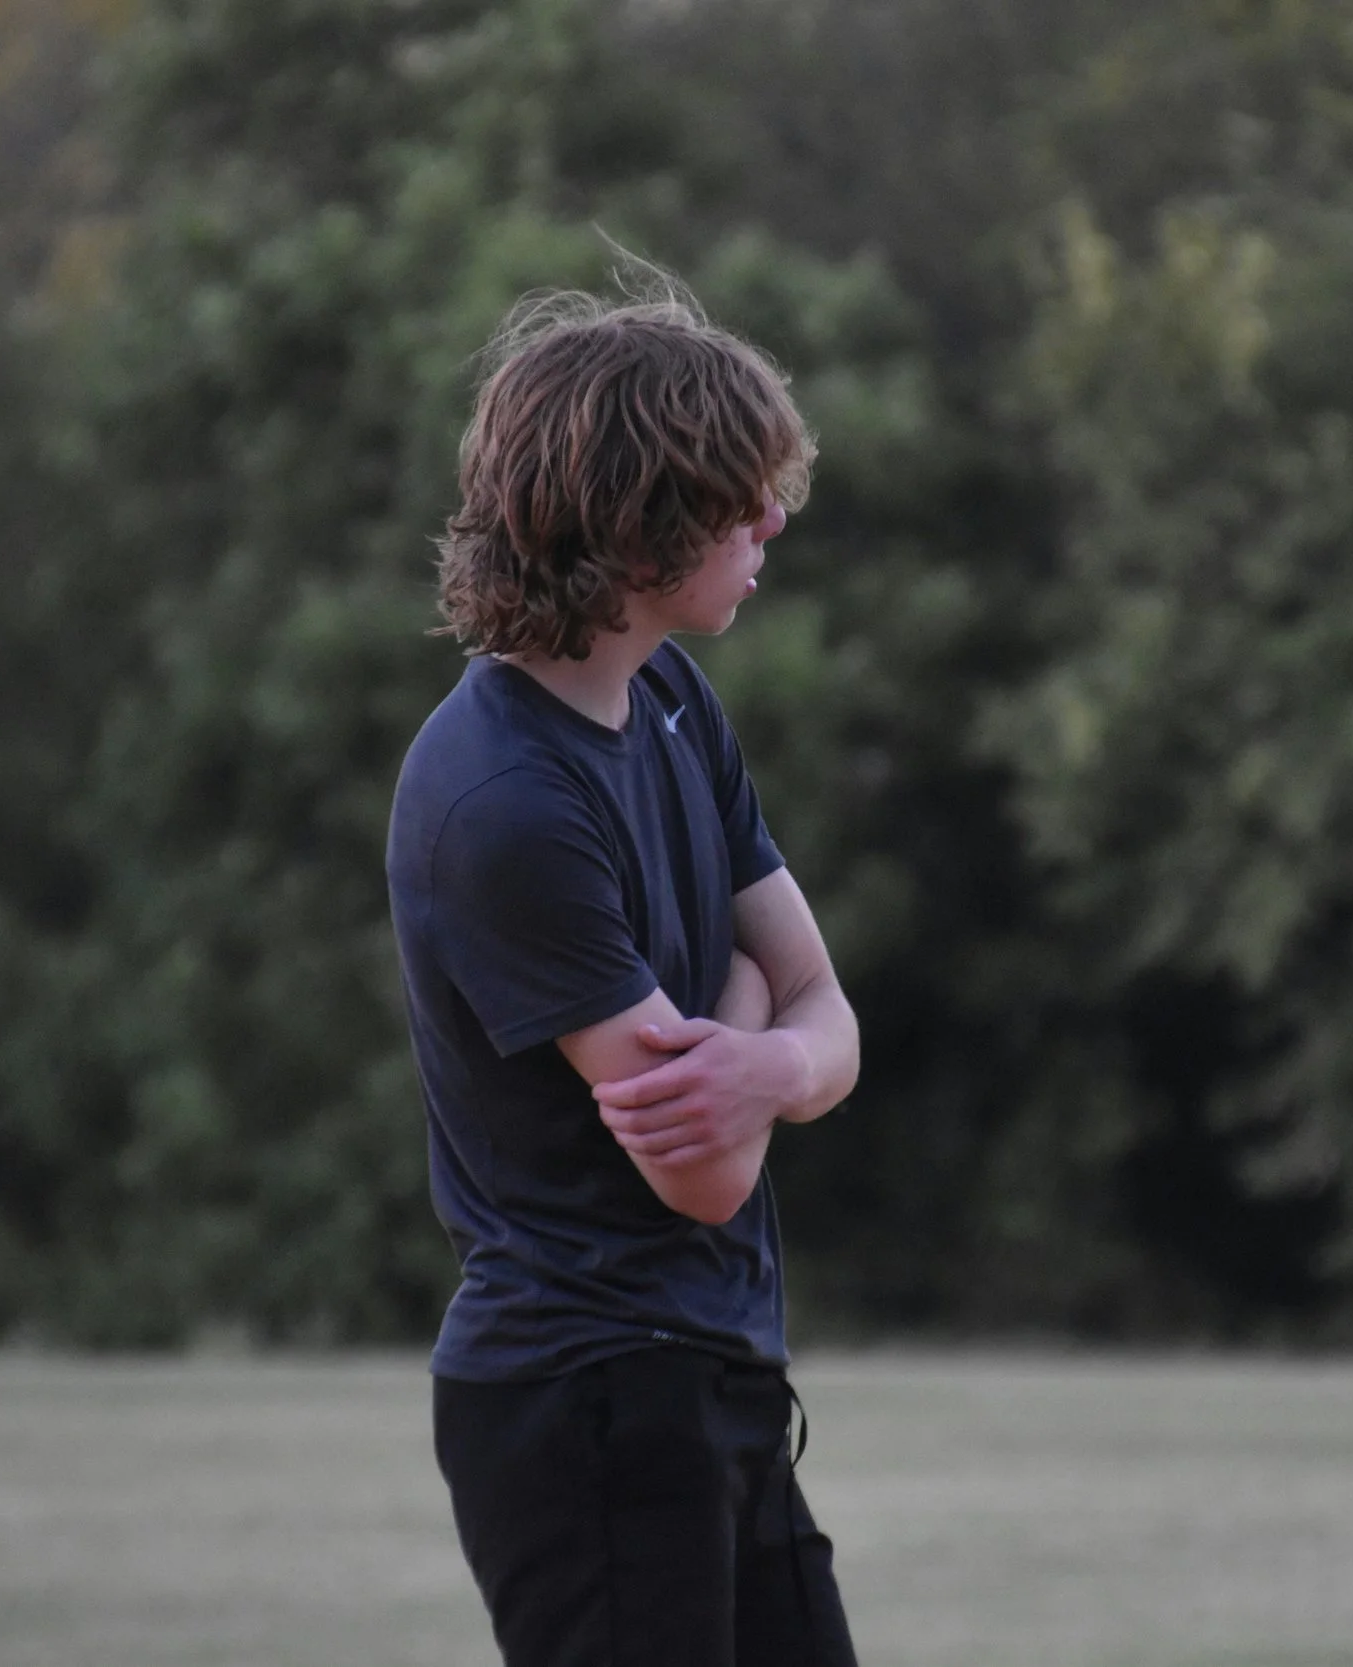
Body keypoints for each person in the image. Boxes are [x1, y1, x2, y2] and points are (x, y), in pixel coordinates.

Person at [386, 280, 862, 1667]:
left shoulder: (668, 695)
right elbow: (702, 1174)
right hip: (584, 1399)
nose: (772, 522)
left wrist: (760, 1057)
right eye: (736, 499)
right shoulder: (507, 805)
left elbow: (827, 1012)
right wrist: (764, 1032)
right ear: (639, 525)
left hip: (714, 1369)